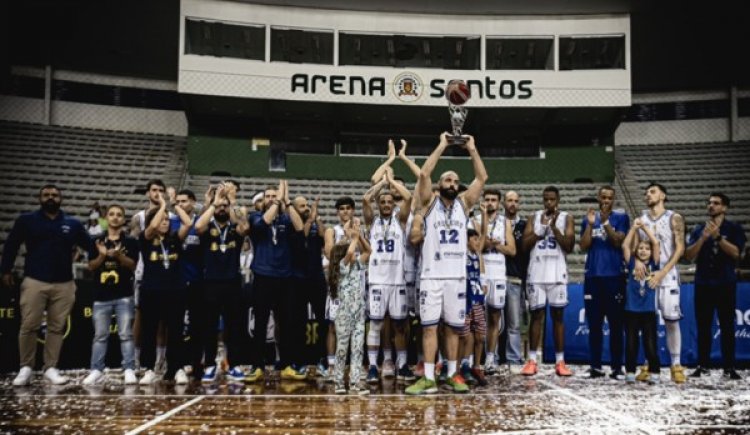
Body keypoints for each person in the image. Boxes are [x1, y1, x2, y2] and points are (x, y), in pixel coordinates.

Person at [405, 132, 488, 395]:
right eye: (447, 179)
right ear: (440, 185)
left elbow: (482, 178)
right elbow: (423, 175)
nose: (453, 182)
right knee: (429, 327)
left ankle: (452, 375)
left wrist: (472, 150)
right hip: (431, 276)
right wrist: (442, 145)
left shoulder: (464, 204)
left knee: (454, 329)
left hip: (457, 277)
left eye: (455, 180)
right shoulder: (428, 204)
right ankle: (429, 377)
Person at [2, 185, 95, 386]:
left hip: (64, 283)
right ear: (40, 198)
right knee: (29, 325)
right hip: (35, 280)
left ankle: (50, 368)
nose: (50, 198)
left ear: (61, 199)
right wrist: (6, 270)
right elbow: (11, 245)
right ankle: (25, 367)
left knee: (56, 327)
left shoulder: (72, 224)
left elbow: (91, 247)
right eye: (46, 195)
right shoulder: (26, 221)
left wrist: (102, 258)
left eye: (54, 195)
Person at [248, 180, 307, 382]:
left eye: (274, 196)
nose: (272, 199)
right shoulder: (256, 216)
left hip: (285, 277)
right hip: (263, 276)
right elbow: (263, 223)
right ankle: (257, 365)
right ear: (263, 200)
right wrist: (277, 202)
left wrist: (287, 202)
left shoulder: (285, 217)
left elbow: (300, 228)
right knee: (261, 323)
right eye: (268, 196)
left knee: (286, 323)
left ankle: (287, 364)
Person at [685, 193, 746, 380]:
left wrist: (718, 238)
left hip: (725, 283)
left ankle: (729, 367)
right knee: (703, 326)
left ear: (725, 208)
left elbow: (736, 254)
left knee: (727, 326)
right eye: (709, 203)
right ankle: (703, 365)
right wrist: (703, 238)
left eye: (716, 203)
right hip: (703, 283)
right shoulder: (698, 229)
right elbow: (688, 255)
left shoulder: (734, 228)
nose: (711, 206)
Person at [195, 184, 250, 383]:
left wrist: (232, 202)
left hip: (233, 282)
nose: (222, 209)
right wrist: (213, 203)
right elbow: (197, 227)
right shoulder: (208, 227)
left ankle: (234, 364)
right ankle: (209, 364)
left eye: (225, 206)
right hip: (210, 282)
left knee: (234, 326)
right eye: (220, 206)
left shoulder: (235, 229)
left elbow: (245, 227)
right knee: (209, 326)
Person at [363, 170, 414, 383]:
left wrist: (392, 181)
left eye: (389, 201)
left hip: (397, 281)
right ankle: (374, 365)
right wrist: (382, 183)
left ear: (394, 204)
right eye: (382, 201)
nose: (385, 204)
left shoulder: (400, 221)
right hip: (376, 280)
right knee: (375, 325)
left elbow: (409, 198)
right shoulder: (371, 222)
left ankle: (401, 365)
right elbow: (366, 198)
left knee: (399, 326)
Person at [138, 192, 192, 384]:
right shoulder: (145, 239)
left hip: (175, 291)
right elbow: (151, 226)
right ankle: (149, 369)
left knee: (176, 331)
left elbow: (188, 223)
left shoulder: (174, 240)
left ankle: (175, 368)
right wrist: (162, 206)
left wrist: (174, 205)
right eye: (162, 220)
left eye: (167, 220)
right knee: (149, 331)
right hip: (151, 291)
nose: (165, 222)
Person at [521, 186, 575, 377]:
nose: (548, 203)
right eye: (546, 199)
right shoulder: (534, 217)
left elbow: (569, 246)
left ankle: (560, 361)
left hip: (557, 274)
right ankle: (532, 360)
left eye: (552, 199)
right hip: (536, 274)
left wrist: (553, 229)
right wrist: (541, 230)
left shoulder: (567, 218)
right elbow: (524, 245)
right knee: (536, 316)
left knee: (558, 318)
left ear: (558, 200)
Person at [82, 205, 139, 386]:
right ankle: (96, 369)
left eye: (119, 215)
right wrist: (102, 256)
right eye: (112, 214)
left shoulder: (130, 241)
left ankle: (129, 368)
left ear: (124, 220)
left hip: (124, 295)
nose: (115, 218)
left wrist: (119, 257)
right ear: (106, 218)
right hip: (101, 296)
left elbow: (133, 266)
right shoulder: (95, 240)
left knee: (126, 334)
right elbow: (91, 266)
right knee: (100, 335)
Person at [636, 183, 686, 383]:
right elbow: (636, 246)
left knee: (671, 321)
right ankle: (649, 363)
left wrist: (663, 272)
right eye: (646, 192)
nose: (648, 195)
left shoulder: (674, 218)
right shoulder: (641, 219)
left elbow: (680, 248)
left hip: (668, 273)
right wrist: (639, 260)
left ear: (663, 195)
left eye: (652, 191)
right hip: (648, 276)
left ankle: (676, 364)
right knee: (648, 323)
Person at [579, 186, 629, 379]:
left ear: (613, 199)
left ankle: (617, 367)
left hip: (615, 277)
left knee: (616, 325)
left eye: (610, 197)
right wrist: (591, 225)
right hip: (593, 277)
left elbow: (618, 241)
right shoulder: (588, 218)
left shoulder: (621, 218)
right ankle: (595, 366)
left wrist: (606, 222)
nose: (606, 200)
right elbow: (583, 246)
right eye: (603, 197)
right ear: (598, 198)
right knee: (595, 325)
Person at [471, 189, 515, 375]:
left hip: (497, 271)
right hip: (479, 271)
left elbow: (512, 250)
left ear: (499, 203)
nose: (490, 203)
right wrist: (486, 242)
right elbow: (477, 247)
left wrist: (494, 244)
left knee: (495, 316)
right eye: (487, 200)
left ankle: (490, 358)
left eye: (494, 200)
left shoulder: (505, 222)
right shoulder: (475, 220)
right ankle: (473, 359)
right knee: (475, 317)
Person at [330, 218, 371, 395]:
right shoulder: (342, 266)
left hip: (358, 314)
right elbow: (349, 253)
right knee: (342, 348)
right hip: (344, 315)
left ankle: (355, 383)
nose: (354, 252)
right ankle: (339, 381)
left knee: (357, 349)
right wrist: (352, 238)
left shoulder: (357, 266)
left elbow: (369, 250)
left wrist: (359, 235)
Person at [291, 196, 329, 377]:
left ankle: (322, 359)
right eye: (302, 206)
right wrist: (310, 220)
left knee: (322, 319)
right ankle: (298, 361)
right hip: (298, 278)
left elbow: (323, 237)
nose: (306, 208)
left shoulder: (314, 222)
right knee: (298, 321)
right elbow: (301, 237)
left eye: (307, 205)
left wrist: (317, 219)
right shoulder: (293, 224)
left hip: (317, 277)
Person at [622, 218, 661, 384]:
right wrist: (633, 228)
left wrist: (644, 227)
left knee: (650, 344)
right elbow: (625, 246)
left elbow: (656, 243)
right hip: (631, 310)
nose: (644, 251)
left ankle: (655, 372)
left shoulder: (655, 264)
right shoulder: (632, 262)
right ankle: (630, 371)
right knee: (631, 343)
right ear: (636, 251)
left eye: (647, 249)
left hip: (648, 311)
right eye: (641, 248)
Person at [321, 196, 357, 379]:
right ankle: (332, 365)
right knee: (333, 327)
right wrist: (348, 243)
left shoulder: (359, 230)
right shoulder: (331, 231)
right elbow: (329, 252)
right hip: (337, 283)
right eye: (341, 208)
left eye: (348, 208)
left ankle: (353, 365)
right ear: (337, 212)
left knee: (355, 328)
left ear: (353, 211)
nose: (345, 211)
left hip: (356, 283)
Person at [500, 191, 529, 372]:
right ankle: (492, 357)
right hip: (495, 277)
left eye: (516, 201)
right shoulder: (496, 223)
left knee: (514, 323)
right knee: (493, 322)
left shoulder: (525, 226)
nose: (512, 204)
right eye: (509, 200)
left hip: (514, 278)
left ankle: (514, 358)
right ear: (504, 203)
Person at [459, 219, 489, 386]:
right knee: (464, 334)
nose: (478, 242)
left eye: (478, 240)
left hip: (477, 298)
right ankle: (463, 365)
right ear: (467, 241)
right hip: (465, 298)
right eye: (474, 239)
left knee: (480, 335)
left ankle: (477, 366)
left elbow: (483, 235)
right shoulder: (462, 255)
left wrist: (483, 283)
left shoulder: (478, 255)